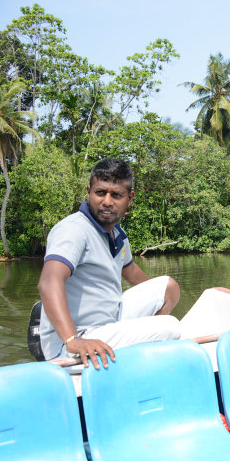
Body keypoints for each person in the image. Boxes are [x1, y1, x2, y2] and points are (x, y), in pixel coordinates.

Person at [37, 158, 181, 369]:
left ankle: (134, 351)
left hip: (108, 321)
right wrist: (72, 340)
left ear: (129, 198)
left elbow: (131, 271)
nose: (107, 201)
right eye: (100, 193)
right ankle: (130, 360)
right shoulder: (73, 230)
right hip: (72, 340)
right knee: (170, 327)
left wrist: (154, 312)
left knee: (168, 287)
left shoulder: (117, 233)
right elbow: (49, 282)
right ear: (89, 192)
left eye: (116, 195)